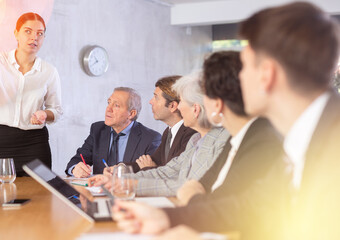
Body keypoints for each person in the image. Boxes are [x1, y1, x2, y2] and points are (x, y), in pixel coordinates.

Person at [112, 51, 288, 239]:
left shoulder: (259, 139)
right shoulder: (235, 138)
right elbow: (205, 194)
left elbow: (218, 203)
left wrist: (186, 202)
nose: (180, 107)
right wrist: (166, 213)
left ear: (217, 104)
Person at [238, 2, 340, 239]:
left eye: (243, 65)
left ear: (266, 75)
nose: (240, 76)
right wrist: (168, 218)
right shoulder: (302, 137)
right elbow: (253, 205)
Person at [89, 72, 230, 197]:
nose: (180, 107)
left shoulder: (221, 141)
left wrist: (126, 184)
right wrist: (118, 180)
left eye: (183, 102)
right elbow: (165, 172)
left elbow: (186, 186)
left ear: (196, 110)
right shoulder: (196, 140)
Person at [0, 12, 62, 178]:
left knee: (39, 197)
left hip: (35, 143)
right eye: (27, 31)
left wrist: (45, 114)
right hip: (2, 141)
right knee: (1, 198)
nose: (34, 37)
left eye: (40, 33)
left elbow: (56, 111)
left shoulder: (49, 71)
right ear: (16, 34)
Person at [65, 87, 161, 176]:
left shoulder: (151, 138)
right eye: (108, 103)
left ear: (131, 114)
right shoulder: (98, 130)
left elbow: (152, 174)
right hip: (98, 191)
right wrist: (75, 169)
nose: (108, 109)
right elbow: (77, 160)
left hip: (129, 191)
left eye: (116, 105)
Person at [127, 75, 196, 173]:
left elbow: (175, 174)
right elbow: (153, 161)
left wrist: (149, 168)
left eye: (156, 97)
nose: (151, 102)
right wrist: (120, 168)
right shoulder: (168, 132)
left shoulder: (191, 134)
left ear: (172, 106)